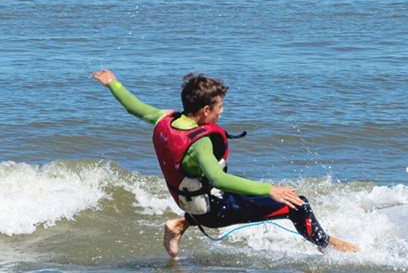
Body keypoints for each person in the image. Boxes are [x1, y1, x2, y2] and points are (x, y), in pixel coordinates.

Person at [92, 69, 359, 257]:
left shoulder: (166, 120)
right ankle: (329, 248)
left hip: (194, 201)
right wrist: (270, 190)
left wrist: (113, 83)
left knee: (233, 192)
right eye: (220, 106)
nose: (222, 111)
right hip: (213, 212)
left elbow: (134, 107)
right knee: (297, 204)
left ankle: (179, 225)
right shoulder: (200, 143)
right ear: (205, 110)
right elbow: (219, 180)